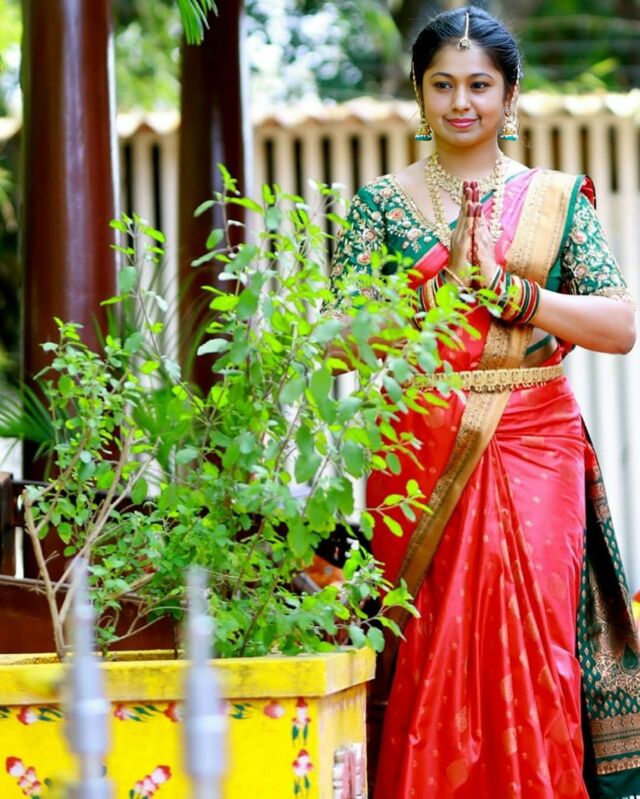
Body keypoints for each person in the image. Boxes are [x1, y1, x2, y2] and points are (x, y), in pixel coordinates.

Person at [327, 6, 639, 799]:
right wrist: (430, 298)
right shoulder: (380, 205)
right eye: (442, 84)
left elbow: (619, 324)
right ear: (418, 92)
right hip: (418, 447)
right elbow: (334, 341)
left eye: (478, 85)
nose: (460, 102)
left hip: (535, 439)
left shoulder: (556, 198)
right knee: (428, 637)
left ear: (510, 93)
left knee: (535, 641)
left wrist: (513, 293)